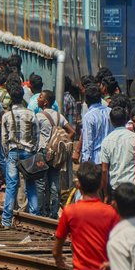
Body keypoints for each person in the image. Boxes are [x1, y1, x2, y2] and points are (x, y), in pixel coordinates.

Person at [1, 82, 38, 227]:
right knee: (31, 184)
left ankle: (6, 220)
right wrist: (33, 149)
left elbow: (4, 139)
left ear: (11, 97)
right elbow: (36, 135)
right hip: (28, 152)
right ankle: (35, 218)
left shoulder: (6, 116)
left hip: (12, 152)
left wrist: (7, 153)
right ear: (22, 97)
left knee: (11, 185)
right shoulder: (31, 114)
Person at [35, 89, 74, 218]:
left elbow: (34, 135)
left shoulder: (39, 116)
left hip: (42, 152)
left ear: (45, 102)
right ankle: (54, 211)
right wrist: (61, 143)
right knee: (54, 182)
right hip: (56, 154)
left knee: (41, 183)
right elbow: (72, 132)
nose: (37, 99)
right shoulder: (59, 116)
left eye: (40, 97)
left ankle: (41, 211)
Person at [99, 106, 135, 202]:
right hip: (133, 185)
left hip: (116, 187)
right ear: (126, 119)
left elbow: (104, 170)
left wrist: (106, 194)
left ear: (111, 121)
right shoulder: (134, 138)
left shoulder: (107, 141)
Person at [80, 85, 112, 164]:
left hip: (97, 160)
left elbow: (88, 142)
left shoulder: (88, 116)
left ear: (86, 100)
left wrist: (85, 161)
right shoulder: (110, 111)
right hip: (111, 157)